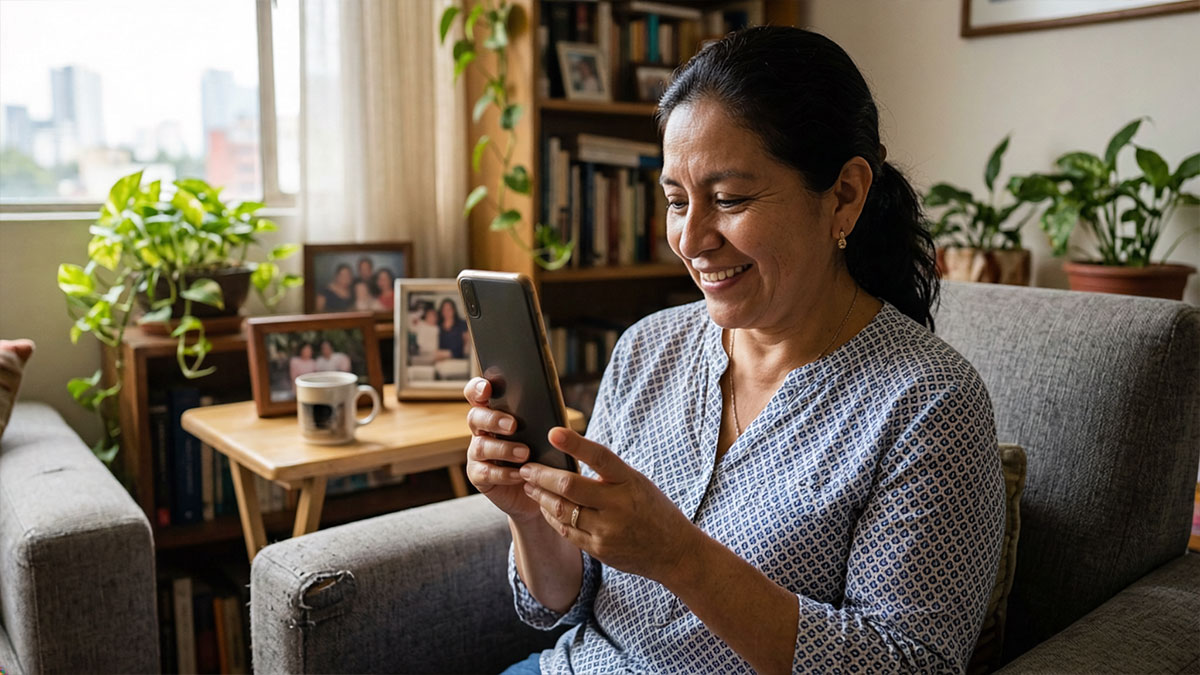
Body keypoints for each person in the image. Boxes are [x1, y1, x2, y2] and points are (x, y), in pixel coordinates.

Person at [466, 26, 1004, 675]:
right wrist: (531, 516)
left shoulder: (928, 402)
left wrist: (681, 556)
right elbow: (568, 604)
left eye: (730, 199)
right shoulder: (647, 348)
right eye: (674, 201)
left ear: (844, 195)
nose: (691, 238)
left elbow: (910, 665)